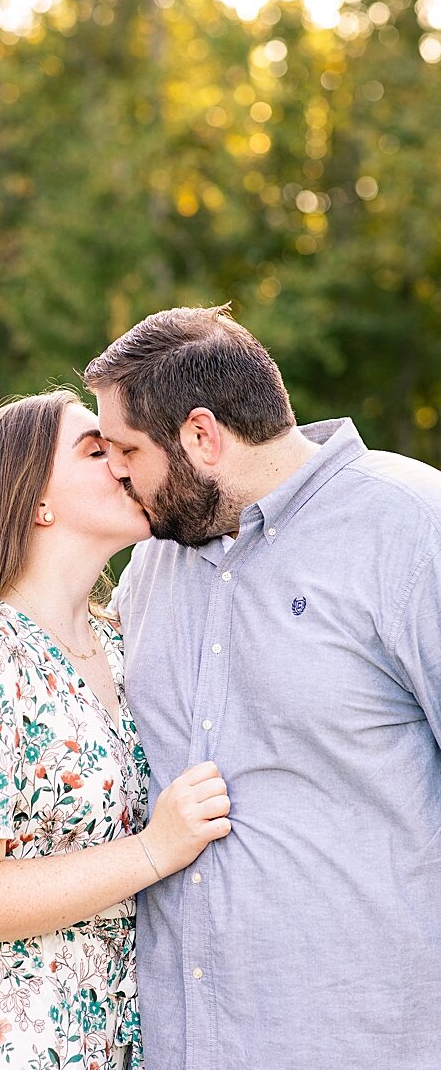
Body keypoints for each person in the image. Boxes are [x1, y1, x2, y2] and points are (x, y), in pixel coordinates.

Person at [84, 304, 441, 1069]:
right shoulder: (151, 561)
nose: (115, 471)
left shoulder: (413, 526)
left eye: (125, 449)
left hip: (365, 1040)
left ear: (202, 436)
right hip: (180, 1041)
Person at [0, 389, 232, 1070]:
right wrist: (156, 850)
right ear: (34, 502)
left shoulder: (121, 641)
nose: (124, 462)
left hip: (107, 1026)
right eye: (97, 450)